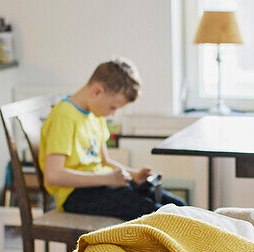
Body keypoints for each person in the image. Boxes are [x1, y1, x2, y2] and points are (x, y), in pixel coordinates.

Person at [39, 58, 186, 221]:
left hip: (101, 184)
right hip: (75, 195)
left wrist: (133, 174)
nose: (113, 114)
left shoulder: (96, 114)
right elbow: (53, 175)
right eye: (113, 107)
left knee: (179, 205)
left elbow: (105, 161)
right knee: (157, 214)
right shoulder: (64, 117)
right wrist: (106, 179)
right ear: (97, 91)